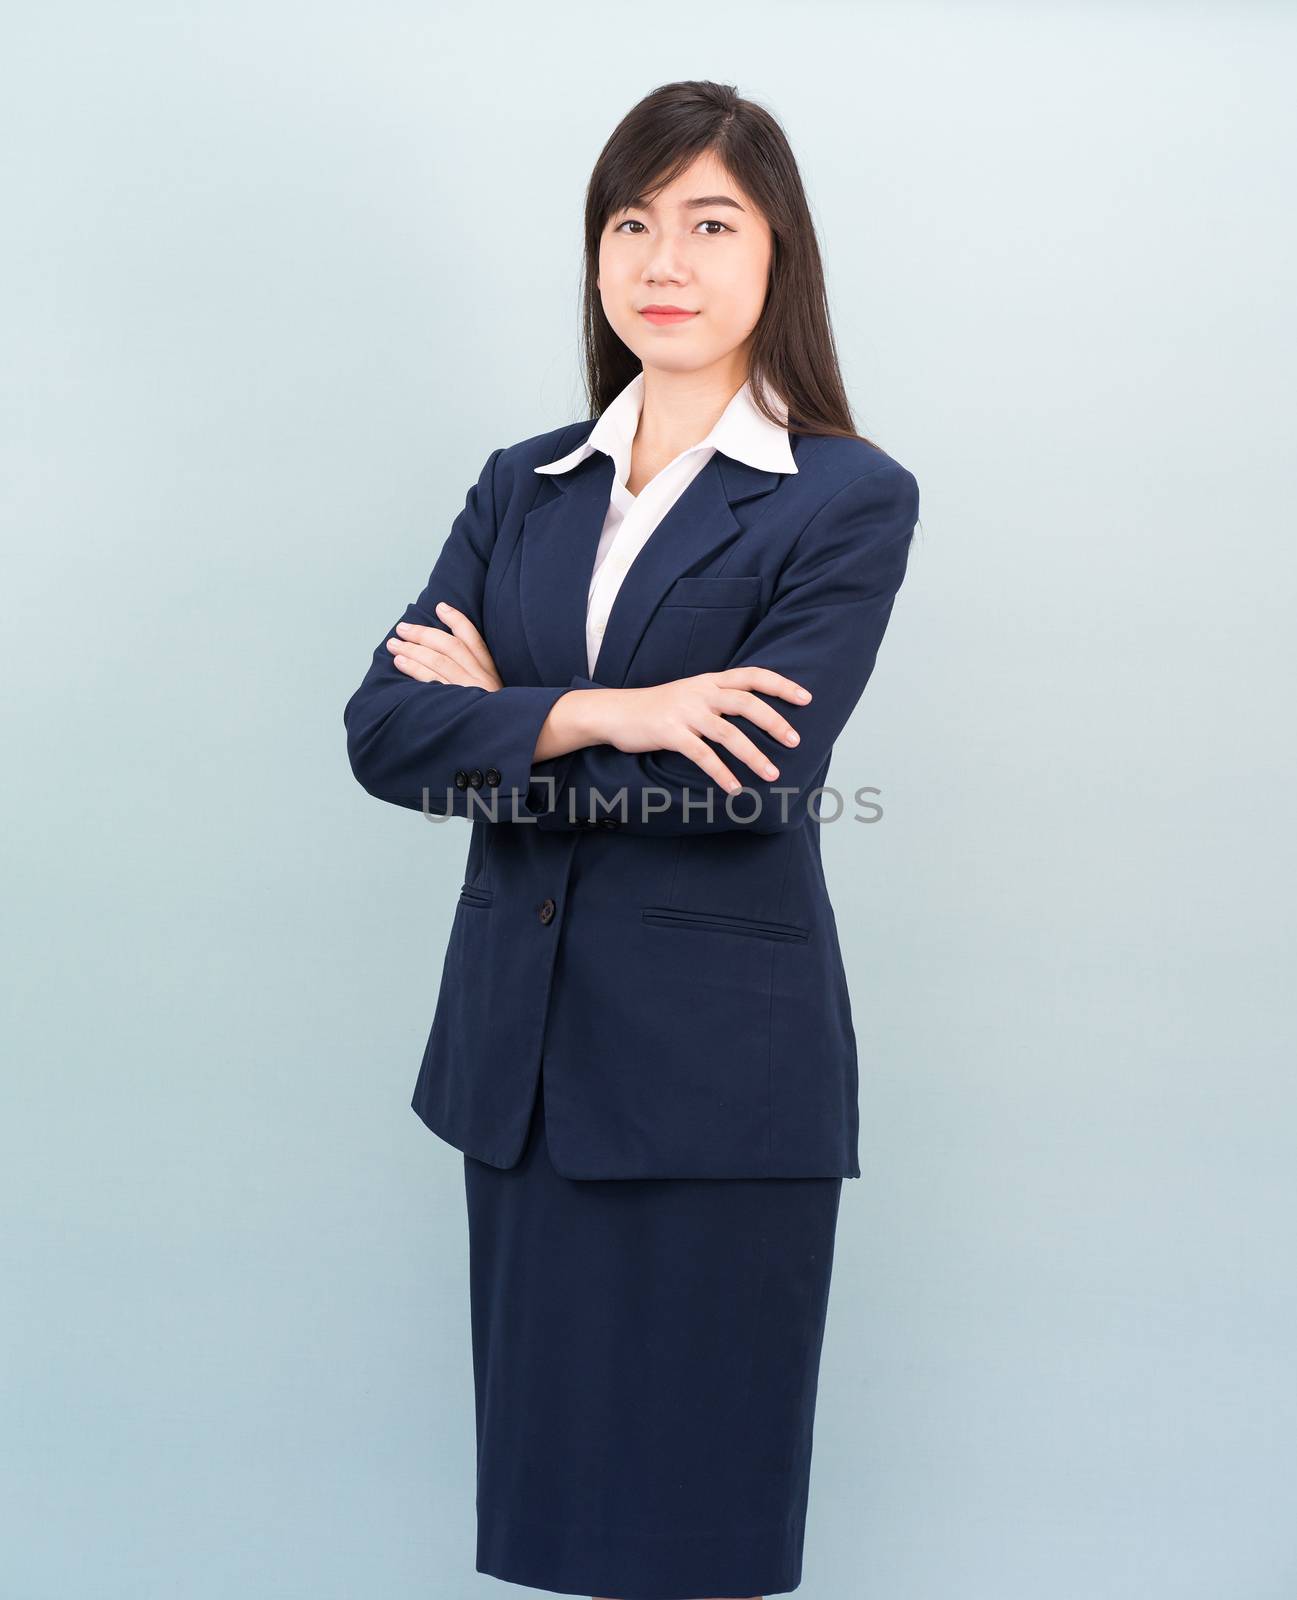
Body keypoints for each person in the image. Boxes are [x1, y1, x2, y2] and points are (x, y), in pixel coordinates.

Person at [343, 78, 921, 1600]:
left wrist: (514, 713)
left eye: (709, 222)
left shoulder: (844, 499)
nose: (664, 256)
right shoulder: (519, 486)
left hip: (715, 1087)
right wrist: (615, 713)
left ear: (777, 254)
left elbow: (748, 781)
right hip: (519, 1073)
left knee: (694, 1536)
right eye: (631, 221)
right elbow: (384, 736)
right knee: (551, 1535)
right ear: (598, 255)